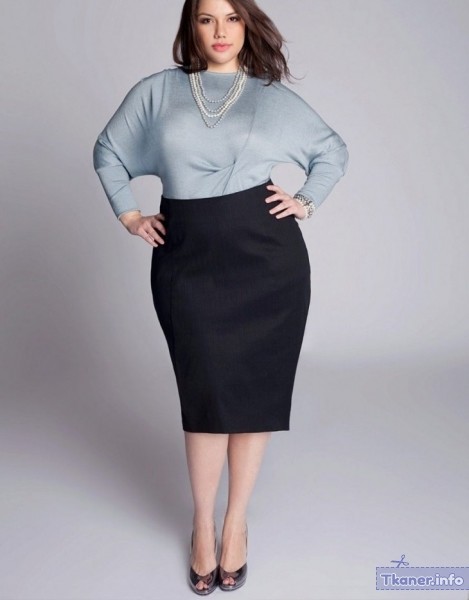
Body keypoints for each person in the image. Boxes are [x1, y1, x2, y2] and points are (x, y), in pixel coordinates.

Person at [93, 0, 349, 594]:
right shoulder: (158, 92)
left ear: (246, 25)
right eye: (207, 18)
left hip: (267, 264)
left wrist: (305, 201)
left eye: (232, 18)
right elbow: (108, 151)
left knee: (253, 395)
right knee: (205, 396)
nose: (220, 31)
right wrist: (130, 215)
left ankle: (235, 524)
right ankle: (202, 524)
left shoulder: (269, 96)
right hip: (187, 262)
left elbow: (332, 150)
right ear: (191, 27)